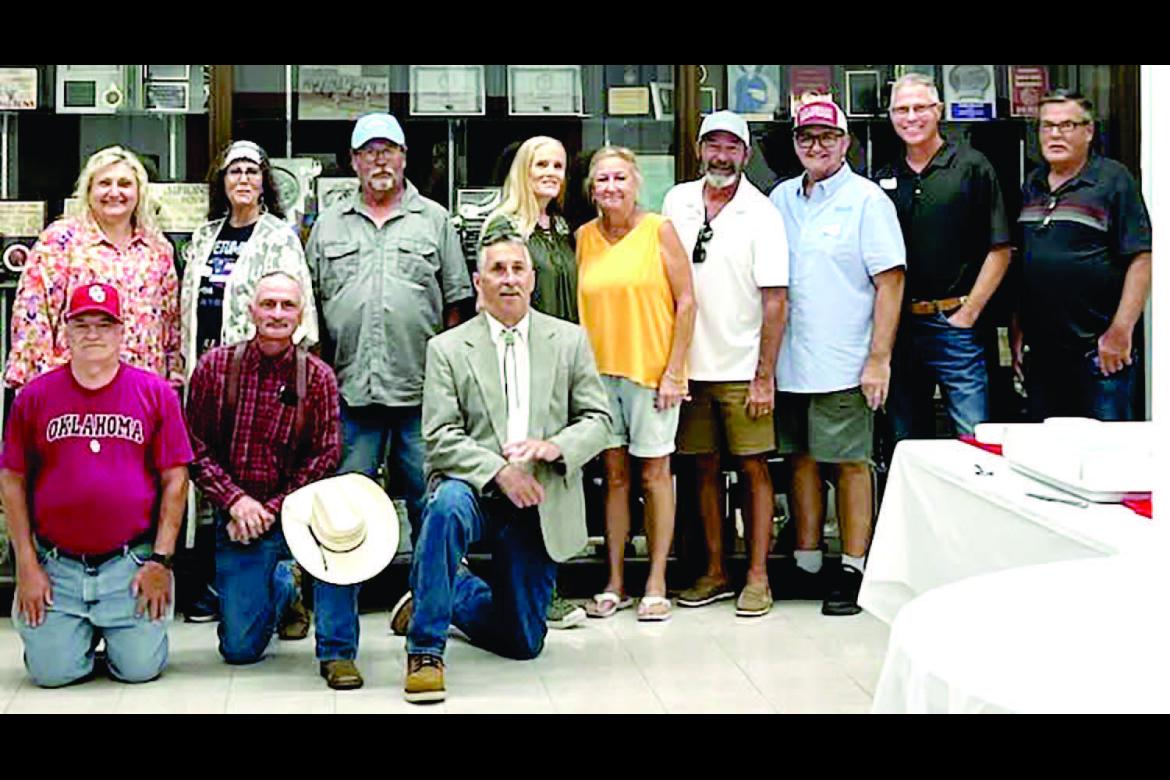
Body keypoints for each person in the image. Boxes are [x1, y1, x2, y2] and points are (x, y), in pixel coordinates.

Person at [388, 232, 611, 703]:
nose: (508, 279)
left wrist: (555, 447)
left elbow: (598, 420)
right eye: (497, 270)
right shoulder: (448, 348)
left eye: (517, 269)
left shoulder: (568, 341)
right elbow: (440, 437)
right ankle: (425, 651)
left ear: (532, 279)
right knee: (445, 506)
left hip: (538, 495)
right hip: (474, 489)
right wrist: (498, 470)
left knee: (524, 642)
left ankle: (451, 593)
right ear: (477, 281)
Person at [305, 112, 472, 689]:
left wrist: (449, 390)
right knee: (338, 526)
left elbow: (456, 310)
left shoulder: (436, 222)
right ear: (352, 162)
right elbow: (312, 316)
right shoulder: (325, 227)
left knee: (435, 520)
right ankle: (336, 649)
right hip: (349, 399)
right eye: (368, 151)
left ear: (405, 158)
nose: (380, 161)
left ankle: (427, 645)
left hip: (423, 401)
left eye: (390, 150)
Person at [0, 283, 192, 687]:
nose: (92, 334)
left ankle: (117, 634)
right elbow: (12, 480)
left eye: (104, 325)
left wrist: (161, 561)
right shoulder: (34, 398)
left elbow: (176, 480)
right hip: (58, 564)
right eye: (81, 324)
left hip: (130, 561)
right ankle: (73, 637)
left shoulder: (155, 394)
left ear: (122, 332)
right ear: (65, 333)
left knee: (139, 671)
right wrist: (26, 564)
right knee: (52, 675)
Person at [769, 97, 905, 616]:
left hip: (846, 360)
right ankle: (808, 561)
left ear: (846, 143)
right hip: (790, 362)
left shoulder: (867, 201)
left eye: (828, 137)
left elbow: (889, 283)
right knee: (800, 460)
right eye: (807, 137)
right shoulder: (781, 198)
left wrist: (879, 358)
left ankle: (853, 567)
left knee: (849, 464)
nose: (817, 146)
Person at [177, 140, 321, 624]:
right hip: (207, 377)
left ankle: (278, 581)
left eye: (252, 171)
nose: (242, 179)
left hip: (257, 379)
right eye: (233, 171)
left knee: (253, 473)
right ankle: (215, 581)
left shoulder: (279, 236)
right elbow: (186, 307)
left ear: (265, 181)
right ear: (222, 181)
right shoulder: (203, 236)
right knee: (207, 475)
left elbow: (295, 313)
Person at [662, 111, 788, 617]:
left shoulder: (763, 214)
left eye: (731, 147)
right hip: (690, 367)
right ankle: (715, 569)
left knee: (754, 468)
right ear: (698, 150)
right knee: (703, 470)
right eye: (712, 145)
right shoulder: (676, 202)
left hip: (742, 370)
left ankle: (757, 576)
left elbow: (776, 301)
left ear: (746, 154)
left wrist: (764, 376)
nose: (721, 155)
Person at [186, 272, 341, 667]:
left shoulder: (318, 377)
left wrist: (271, 509)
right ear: (251, 310)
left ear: (301, 314)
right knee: (239, 650)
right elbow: (194, 447)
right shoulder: (215, 368)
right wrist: (236, 503)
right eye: (268, 304)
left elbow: (325, 455)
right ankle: (283, 587)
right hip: (238, 520)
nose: (277, 313)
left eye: (287, 305)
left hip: (296, 515)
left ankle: (285, 574)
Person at [576, 146, 695, 622]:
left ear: (636, 183)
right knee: (615, 478)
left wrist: (675, 370)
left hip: (651, 373)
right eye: (602, 179)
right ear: (592, 188)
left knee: (655, 475)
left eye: (620, 179)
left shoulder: (658, 230)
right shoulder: (583, 237)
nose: (611, 188)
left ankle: (657, 581)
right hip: (599, 376)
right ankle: (614, 582)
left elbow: (686, 302)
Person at [480, 135, 585, 630]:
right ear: (523, 167)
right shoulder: (504, 226)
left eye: (559, 165)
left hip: (560, 359)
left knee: (553, 472)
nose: (550, 172)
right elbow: (490, 299)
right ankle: (519, 589)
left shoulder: (559, 225)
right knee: (518, 474)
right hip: (519, 361)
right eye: (541, 163)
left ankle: (545, 583)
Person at [875, 73, 1012, 441]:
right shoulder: (885, 177)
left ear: (938, 111)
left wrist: (967, 314)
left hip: (956, 326)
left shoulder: (972, 166)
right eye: (901, 109)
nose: (911, 117)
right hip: (900, 330)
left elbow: (1000, 250)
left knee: (974, 440)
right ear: (891, 116)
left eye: (920, 107)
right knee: (907, 444)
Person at [1013, 91, 1152, 421]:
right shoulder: (1032, 184)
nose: (1055, 135)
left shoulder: (1113, 180)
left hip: (1099, 351)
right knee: (1047, 457)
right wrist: (1017, 330)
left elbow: (1142, 258)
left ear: (1088, 132)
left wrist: (1120, 332)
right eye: (1047, 126)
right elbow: (1026, 264)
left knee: (1106, 458)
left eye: (1067, 125)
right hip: (1044, 355)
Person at [5, 146, 182, 389]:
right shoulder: (60, 241)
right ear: (88, 191)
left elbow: (170, 321)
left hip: (142, 387)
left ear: (140, 192)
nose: (114, 192)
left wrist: (171, 376)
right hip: (74, 386)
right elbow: (32, 315)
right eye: (104, 183)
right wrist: (40, 384)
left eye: (125, 184)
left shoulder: (157, 249)